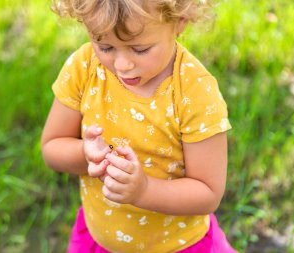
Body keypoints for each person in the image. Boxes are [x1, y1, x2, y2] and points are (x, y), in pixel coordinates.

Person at [41, 0, 237, 252]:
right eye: (105, 46)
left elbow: (208, 192)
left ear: (179, 21)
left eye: (140, 49)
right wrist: (85, 155)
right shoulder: (85, 67)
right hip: (99, 240)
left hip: (175, 246)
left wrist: (144, 191)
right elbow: (51, 147)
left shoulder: (194, 92)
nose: (122, 65)